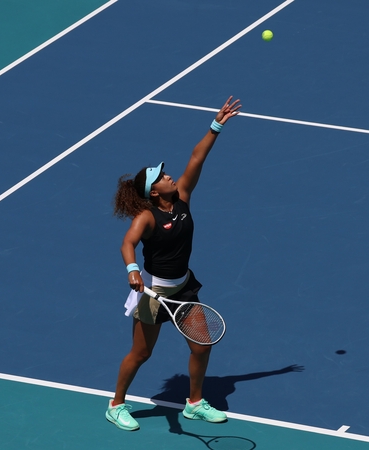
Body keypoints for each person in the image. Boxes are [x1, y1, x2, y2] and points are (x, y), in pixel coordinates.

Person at [105, 96, 242, 431]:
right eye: (162, 176)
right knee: (141, 354)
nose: (169, 176)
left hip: (182, 289)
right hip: (152, 294)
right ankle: (116, 404)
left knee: (201, 345)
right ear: (154, 192)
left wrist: (217, 125)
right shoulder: (146, 217)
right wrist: (132, 269)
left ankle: (194, 403)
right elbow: (127, 243)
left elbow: (198, 157)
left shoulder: (183, 197)